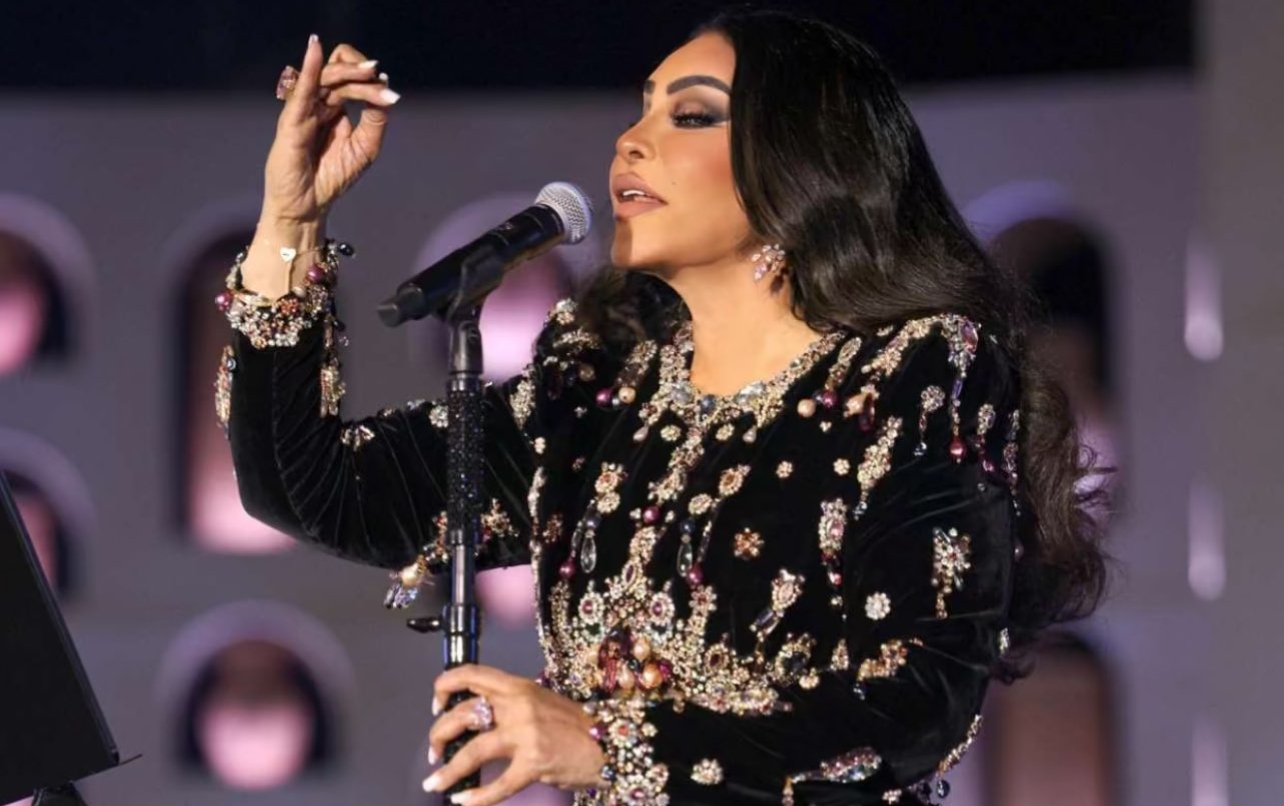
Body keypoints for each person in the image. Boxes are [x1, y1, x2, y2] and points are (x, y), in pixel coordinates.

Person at [217, 10, 1109, 806]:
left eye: (689, 116)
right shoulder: (598, 394)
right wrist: (289, 221)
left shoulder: (914, 371)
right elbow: (317, 487)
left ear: (800, 159)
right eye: (639, 110)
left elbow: (917, 701)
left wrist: (609, 746)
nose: (630, 142)